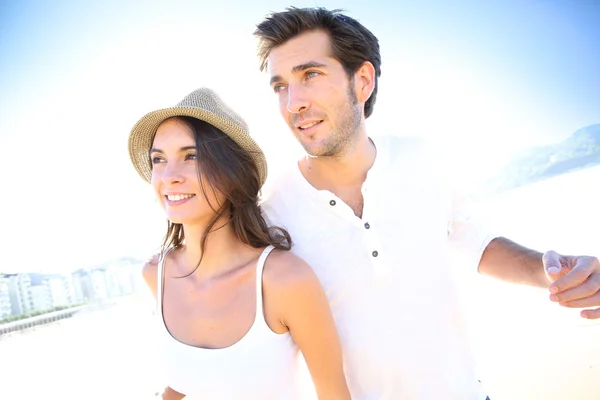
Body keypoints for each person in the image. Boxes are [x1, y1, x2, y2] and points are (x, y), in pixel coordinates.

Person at [253, 7, 600, 400]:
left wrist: (556, 270)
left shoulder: (423, 159)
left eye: (310, 75)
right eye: (279, 86)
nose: (292, 102)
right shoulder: (269, 213)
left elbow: (477, 242)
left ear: (362, 80)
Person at [127, 87, 351, 400]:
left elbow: (333, 394)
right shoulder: (156, 274)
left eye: (191, 156)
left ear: (232, 171)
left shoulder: (285, 281)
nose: (169, 176)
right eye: (158, 160)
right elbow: (191, 376)